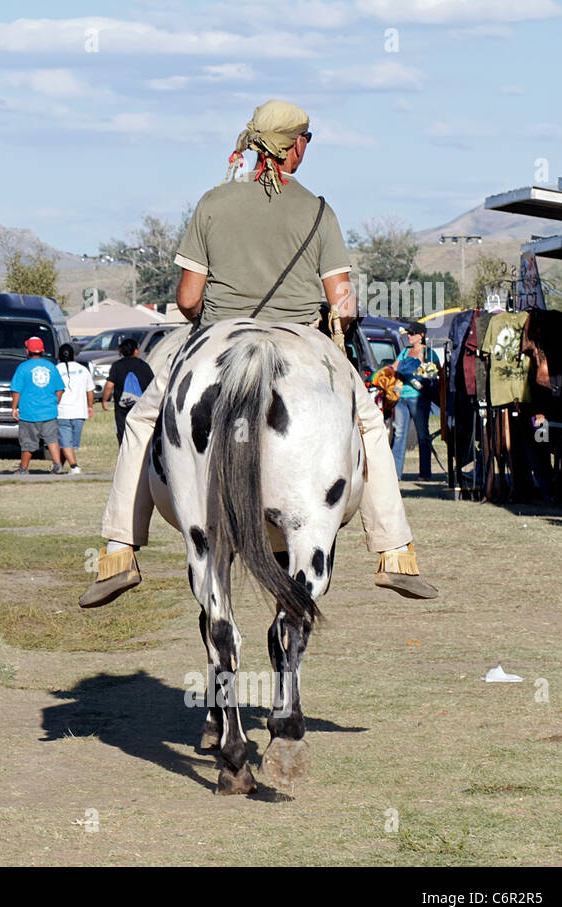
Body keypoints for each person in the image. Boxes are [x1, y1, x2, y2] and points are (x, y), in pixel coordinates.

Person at [80, 99, 437, 608]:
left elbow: (186, 299)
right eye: (306, 141)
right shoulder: (318, 210)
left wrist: (216, 318)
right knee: (370, 425)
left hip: (216, 332)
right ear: (293, 145)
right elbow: (342, 301)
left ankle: (119, 549)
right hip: (302, 335)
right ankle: (394, 551)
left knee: (143, 419)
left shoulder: (211, 203)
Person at [391, 325, 442, 481]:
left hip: (419, 398)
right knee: (399, 436)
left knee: (422, 436)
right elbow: (394, 367)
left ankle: (424, 473)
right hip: (401, 398)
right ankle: (395, 474)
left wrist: (421, 367)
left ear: (421, 335)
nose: (409, 337)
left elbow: (434, 375)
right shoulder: (405, 352)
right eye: (408, 334)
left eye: (412, 334)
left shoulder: (429, 353)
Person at [10, 336, 65, 475]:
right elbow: (60, 389)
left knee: (28, 441)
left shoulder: (23, 367)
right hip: (49, 411)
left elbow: (17, 390)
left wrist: (14, 407)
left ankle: (23, 468)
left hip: (29, 412)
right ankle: (57, 465)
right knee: (52, 439)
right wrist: (55, 401)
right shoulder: (51, 366)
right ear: (42, 350)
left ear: (28, 350)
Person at [101, 338, 154, 445]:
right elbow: (152, 385)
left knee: (123, 433)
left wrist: (104, 400)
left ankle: (124, 453)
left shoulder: (117, 365)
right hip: (141, 406)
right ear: (136, 350)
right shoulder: (144, 365)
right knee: (140, 433)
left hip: (122, 408)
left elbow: (109, 385)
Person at [54, 343, 94, 474]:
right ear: (74, 355)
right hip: (79, 411)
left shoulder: (56, 369)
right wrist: (90, 406)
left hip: (61, 411)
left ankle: (57, 465)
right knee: (68, 442)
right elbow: (90, 390)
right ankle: (74, 466)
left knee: (68, 443)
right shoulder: (83, 369)